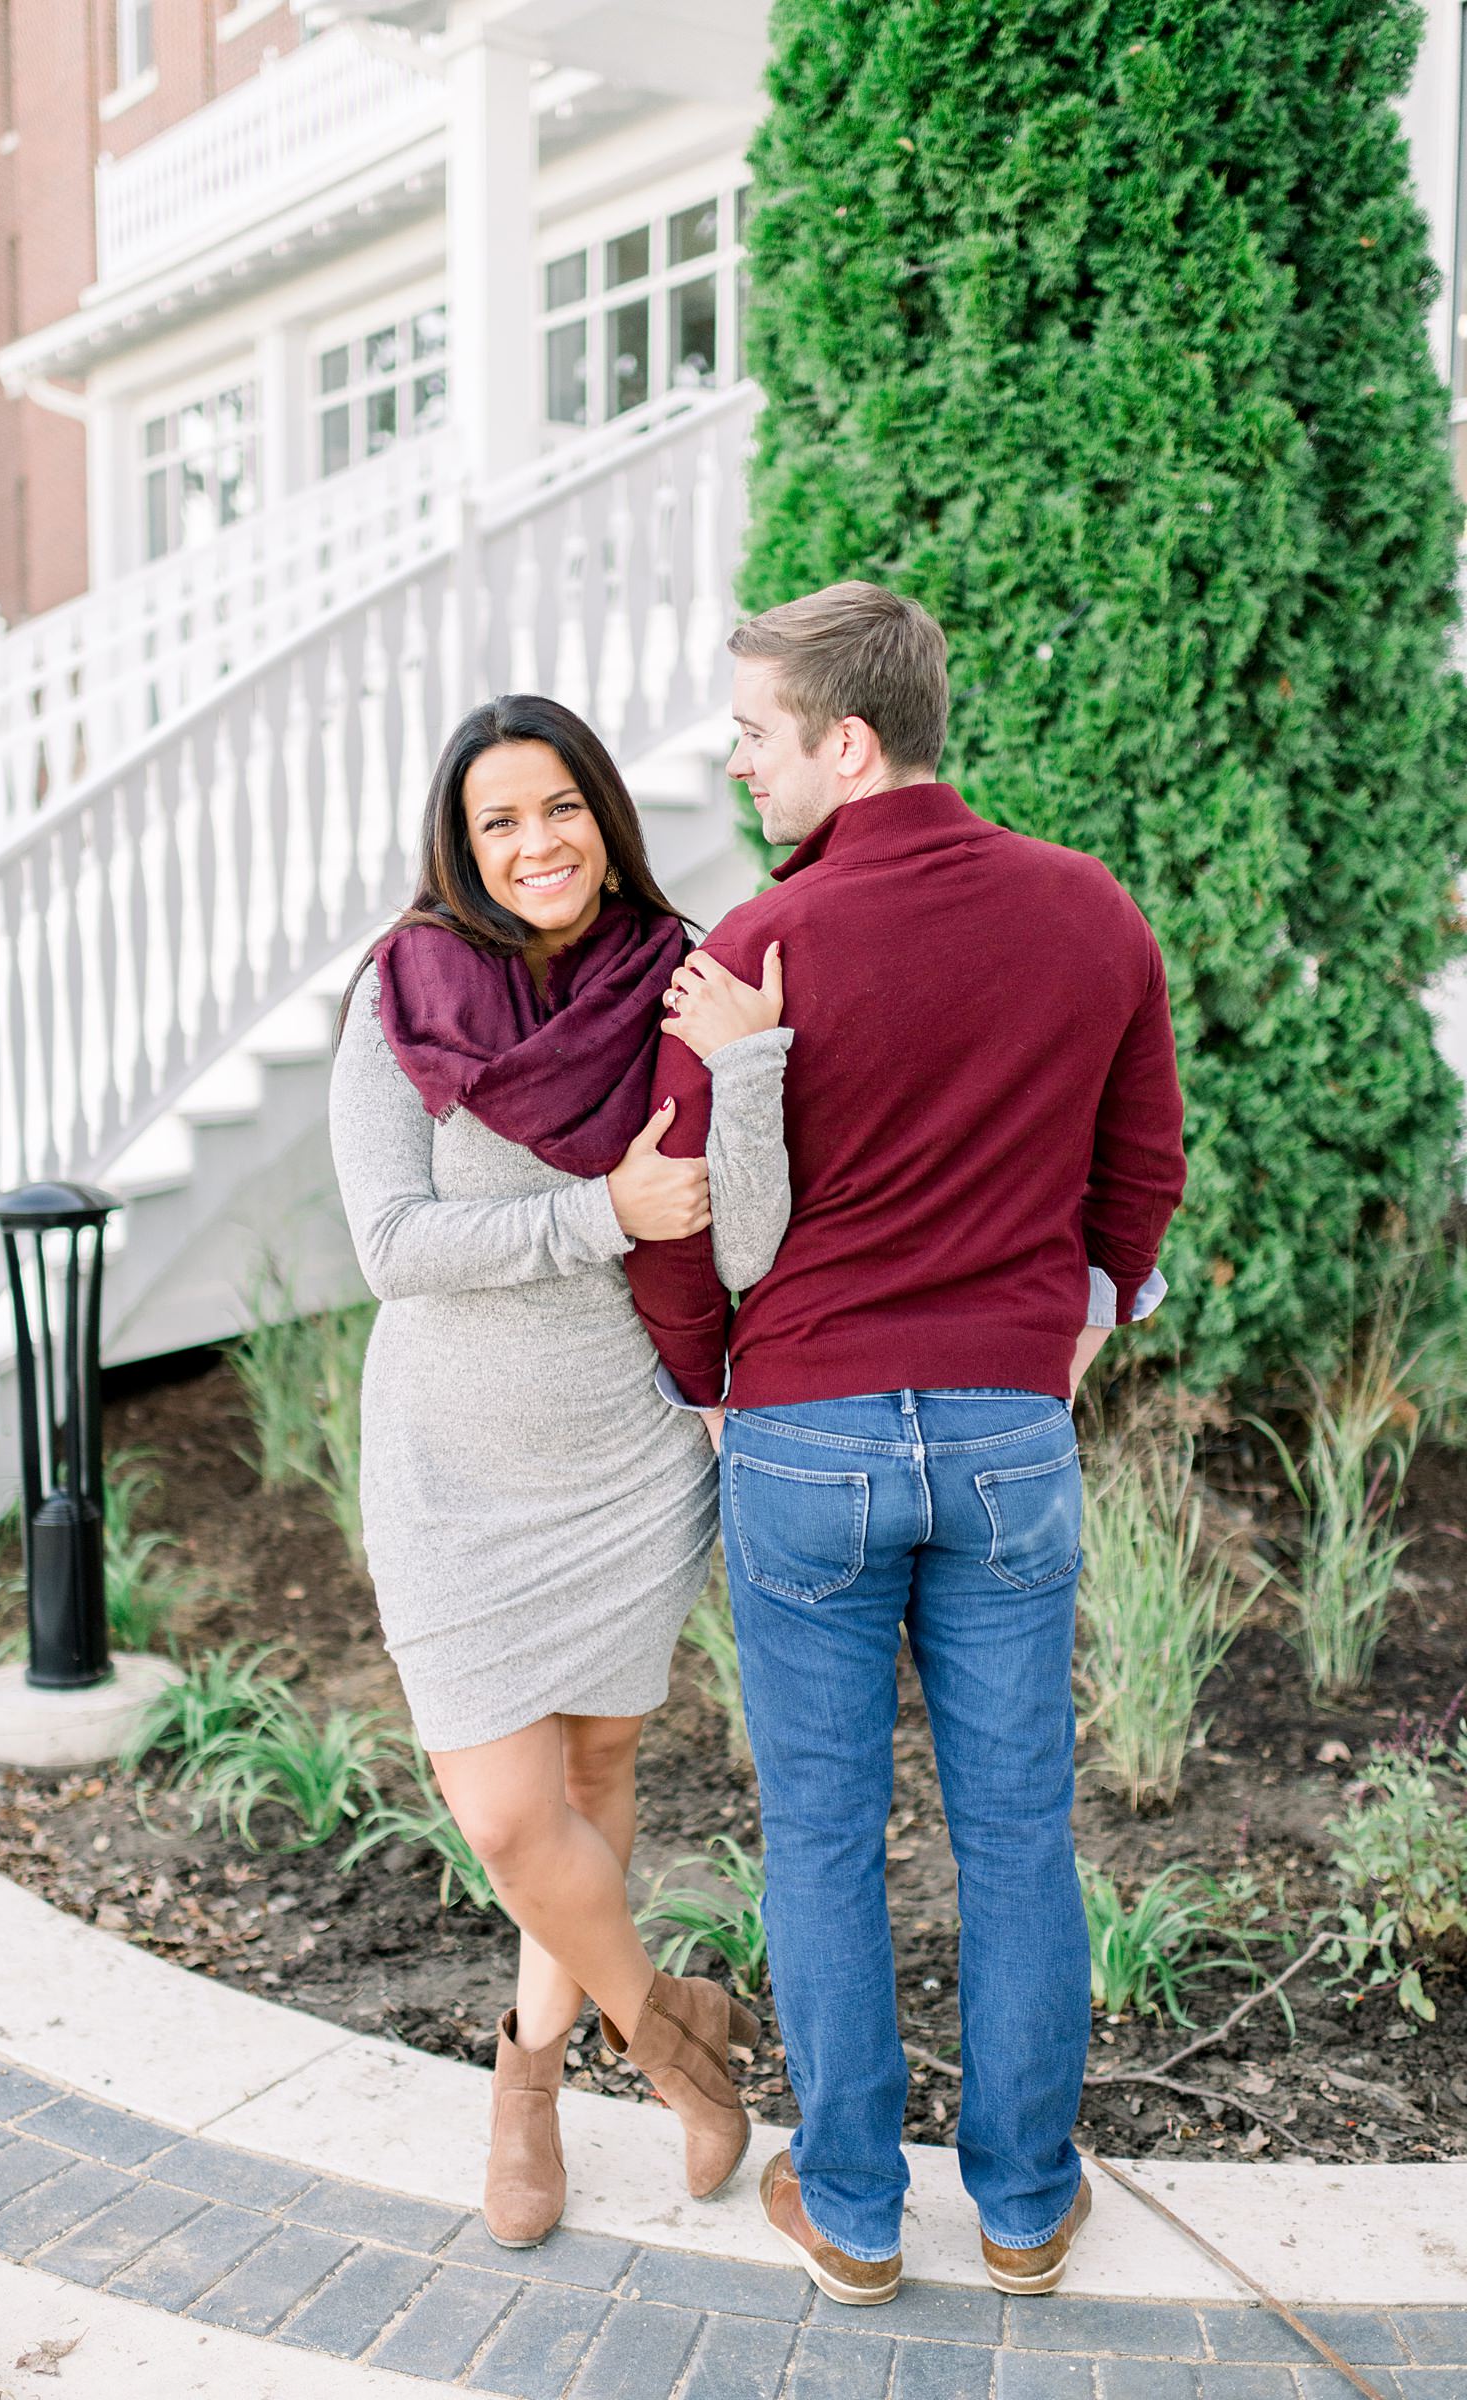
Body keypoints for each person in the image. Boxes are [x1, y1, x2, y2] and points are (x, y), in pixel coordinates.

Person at [628, 583, 1186, 2306]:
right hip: (1010, 1435)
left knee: (819, 1832)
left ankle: (856, 2213)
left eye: (755, 736)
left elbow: (670, 1215)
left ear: (847, 743)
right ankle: (1024, 2207)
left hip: (805, 1437)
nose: (739, 767)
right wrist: (1078, 1323)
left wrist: (712, 1372)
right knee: (1019, 1827)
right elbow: (1142, 1163)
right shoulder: (1092, 914)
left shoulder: (759, 947)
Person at [328, 693, 791, 2252]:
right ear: (459, 848)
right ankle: (673, 2044)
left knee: (595, 1781)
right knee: (513, 1820)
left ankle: (528, 2081)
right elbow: (391, 1246)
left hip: (630, 1453)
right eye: (498, 821)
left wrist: (748, 1084)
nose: (536, 844)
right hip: (455, 1469)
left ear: (606, 813)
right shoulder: (405, 994)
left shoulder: (684, 978)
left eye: (559, 808)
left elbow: (742, 1230)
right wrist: (596, 1213)